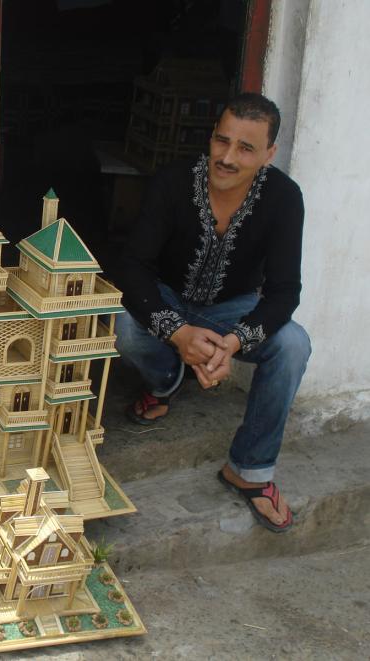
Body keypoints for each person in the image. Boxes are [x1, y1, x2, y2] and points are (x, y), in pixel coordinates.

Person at [113, 93, 311, 533]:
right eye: (222, 141)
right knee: (122, 325)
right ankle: (165, 381)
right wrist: (179, 333)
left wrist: (234, 342)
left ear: (269, 153)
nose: (227, 157)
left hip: (232, 311)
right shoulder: (173, 182)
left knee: (294, 345)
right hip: (168, 297)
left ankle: (249, 469)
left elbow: (284, 291)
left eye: (245, 148)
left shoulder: (284, 198)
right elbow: (132, 267)